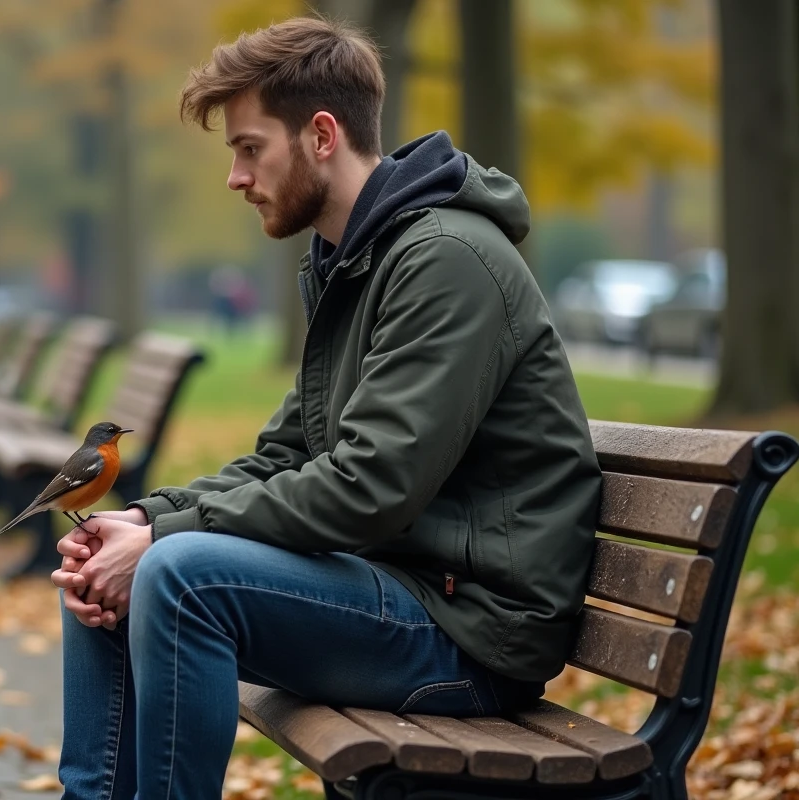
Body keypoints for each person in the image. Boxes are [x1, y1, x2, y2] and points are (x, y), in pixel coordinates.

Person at [50, 16, 603, 799]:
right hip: (402, 594)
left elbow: (369, 484)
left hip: (471, 637)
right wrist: (142, 519)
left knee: (177, 575)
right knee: (108, 568)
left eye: (249, 148)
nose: (236, 178)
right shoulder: (358, 262)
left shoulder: (446, 260)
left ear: (319, 135)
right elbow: (286, 455)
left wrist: (166, 541)